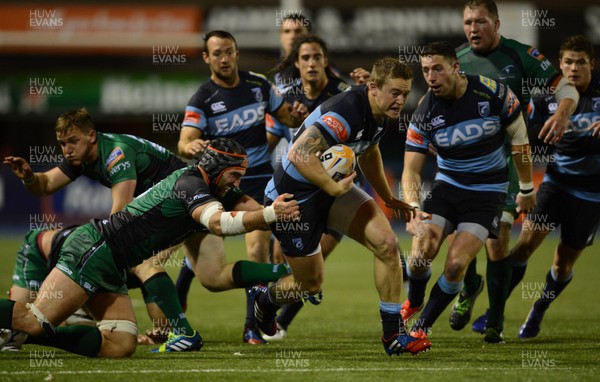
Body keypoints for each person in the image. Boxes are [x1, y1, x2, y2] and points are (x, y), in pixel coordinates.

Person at [0, 138, 299, 358]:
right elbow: (220, 224)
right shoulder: (190, 185)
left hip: (115, 263)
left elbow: (255, 211)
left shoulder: (216, 186)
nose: (238, 182)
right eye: (235, 175)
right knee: (32, 321)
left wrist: (294, 215)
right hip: (95, 249)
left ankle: (38, 338)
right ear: (218, 169)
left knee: (120, 344)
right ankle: (33, 331)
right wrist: (273, 214)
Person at [252, 57, 431, 356]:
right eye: (395, 93)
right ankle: (265, 301)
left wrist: (387, 197)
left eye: (405, 93)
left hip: (331, 192)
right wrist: (333, 186)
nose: (401, 100)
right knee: (308, 285)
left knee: (387, 245)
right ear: (373, 88)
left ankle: (392, 336)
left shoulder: (380, 113)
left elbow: (370, 149)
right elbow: (298, 154)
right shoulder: (347, 109)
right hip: (293, 201)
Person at [2, 108, 195, 348]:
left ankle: (179, 333)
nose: (67, 149)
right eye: (62, 143)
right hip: (173, 203)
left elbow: (121, 214)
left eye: (72, 141)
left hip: (178, 202)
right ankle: (173, 330)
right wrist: (29, 177)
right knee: (214, 276)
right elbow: (46, 184)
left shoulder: (116, 154)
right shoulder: (80, 157)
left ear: (91, 136)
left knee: (144, 263)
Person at [447, 0, 579, 342]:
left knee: (497, 240)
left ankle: (495, 323)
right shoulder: (457, 61)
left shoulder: (521, 55)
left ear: (496, 23)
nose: (473, 28)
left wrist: (562, 113)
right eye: (467, 22)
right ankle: (470, 286)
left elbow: (564, 87)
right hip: (463, 161)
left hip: (506, 161)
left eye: (480, 22)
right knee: (460, 234)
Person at [177, 30, 308, 345]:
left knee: (256, 250)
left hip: (259, 179)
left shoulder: (259, 85)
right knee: (193, 249)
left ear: (236, 53)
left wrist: (297, 114)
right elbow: (184, 141)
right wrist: (191, 147)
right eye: (217, 53)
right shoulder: (203, 99)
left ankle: (252, 326)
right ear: (207, 58)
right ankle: (175, 309)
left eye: (229, 51)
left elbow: (287, 117)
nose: (224, 58)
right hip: (218, 186)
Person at [400, 41, 536, 343]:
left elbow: (520, 141)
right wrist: (413, 206)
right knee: (420, 255)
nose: (431, 76)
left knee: (457, 264)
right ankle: (415, 300)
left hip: (487, 193)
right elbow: (410, 169)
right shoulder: (424, 112)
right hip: (448, 187)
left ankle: (421, 328)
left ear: (455, 67)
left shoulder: (494, 93)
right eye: (425, 70)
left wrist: (526, 187)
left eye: (438, 68)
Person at [501, 35, 600, 338]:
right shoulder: (545, 98)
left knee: (563, 263)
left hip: (591, 194)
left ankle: (538, 311)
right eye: (568, 62)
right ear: (560, 63)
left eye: (580, 62)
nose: (573, 68)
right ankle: (496, 309)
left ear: (591, 64)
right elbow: (521, 138)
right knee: (524, 246)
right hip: (556, 183)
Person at [262, 34, 350, 341]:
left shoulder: (344, 94)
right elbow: (269, 142)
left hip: (336, 190)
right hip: (299, 191)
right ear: (297, 64)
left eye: (316, 57)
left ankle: (281, 322)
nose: (311, 63)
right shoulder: (287, 99)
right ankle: (270, 314)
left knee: (316, 258)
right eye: (305, 58)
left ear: (326, 60)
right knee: (279, 259)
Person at [4, 226, 176, 350]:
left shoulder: (145, 269)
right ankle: (26, 332)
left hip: (81, 267)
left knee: (121, 342)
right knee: (32, 322)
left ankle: (28, 335)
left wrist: (162, 331)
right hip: (39, 253)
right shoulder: (111, 255)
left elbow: (162, 325)